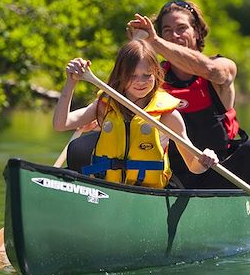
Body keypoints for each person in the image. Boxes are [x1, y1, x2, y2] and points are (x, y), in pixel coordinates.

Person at [127, 0, 250, 189]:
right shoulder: (152, 78)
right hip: (171, 178)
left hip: (219, 174)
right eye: (167, 30)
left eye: (181, 28)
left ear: (196, 32)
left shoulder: (222, 66)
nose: (174, 35)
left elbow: (211, 70)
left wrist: (154, 42)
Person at [54, 40, 218, 188]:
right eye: (132, 76)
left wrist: (204, 160)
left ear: (156, 74)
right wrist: (71, 82)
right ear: (121, 76)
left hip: (147, 194)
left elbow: (193, 166)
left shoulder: (169, 116)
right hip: (107, 188)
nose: (140, 81)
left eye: (147, 75)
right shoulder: (106, 105)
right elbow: (61, 124)